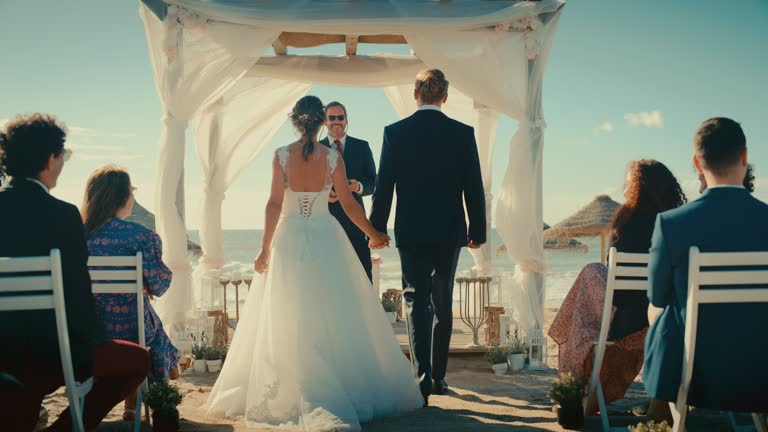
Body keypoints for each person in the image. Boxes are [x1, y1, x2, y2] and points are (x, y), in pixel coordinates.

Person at [205, 96, 423, 431]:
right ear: (322, 122)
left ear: (295, 121)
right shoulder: (332, 157)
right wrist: (373, 233)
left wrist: (264, 250)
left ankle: (295, 381)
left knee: (288, 310)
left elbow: (274, 204)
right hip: (326, 237)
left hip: (289, 239)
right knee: (333, 310)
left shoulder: (281, 156)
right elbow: (349, 204)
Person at [0, 113, 149, 431]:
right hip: (52, 353)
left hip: (3, 352)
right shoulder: (64, 215)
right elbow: (78, 297)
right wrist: (93, 340)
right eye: (64, 156)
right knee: (137, 360)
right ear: (50, 159)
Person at [369, 69, 486, 404]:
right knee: (442, 302)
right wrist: (477, 230)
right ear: (444, 97)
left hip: (412, 230)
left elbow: (384, 186)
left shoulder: (395, 133)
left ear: (415, 93)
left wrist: (377, 229)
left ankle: (421, 377)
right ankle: (438, 375)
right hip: (449, 232)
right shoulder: (462, 134)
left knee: (415, 301)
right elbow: (473, 187)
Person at [644, 118, 768, 422]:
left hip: (696, 373)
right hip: (759, 370)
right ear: (744, 157)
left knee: (656, 309)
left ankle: (662, 410)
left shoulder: (671, 224)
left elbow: (657, 297)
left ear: (697, 163)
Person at [548, 159, 687, 413]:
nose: (623, 186)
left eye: (628, 181)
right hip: (673, 319)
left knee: (591, 273)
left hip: (628, 323)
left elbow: (619, 292)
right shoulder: (678, 223)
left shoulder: (626, 222)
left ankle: (574, 386)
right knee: (591, 280)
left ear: (638, 187)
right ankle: (580, 377)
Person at [81, 165, 183, 421]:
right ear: (122, 196)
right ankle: (168, 371)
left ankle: (134, 403)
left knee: (142, 312)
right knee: (146, 322)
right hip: (132, 329)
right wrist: (145, 283)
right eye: (132, 191)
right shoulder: (141, 237)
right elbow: (159, 286)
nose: (134, 197)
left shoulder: (78, 236)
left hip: (92, 330)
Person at [320, 101, 377, 281]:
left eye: (340, 117)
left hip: (357, 225)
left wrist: (358, 186)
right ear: (324, 121)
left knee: (362, 276)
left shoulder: (362, 146)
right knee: (329, 277)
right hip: (325, 223)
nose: (337, 121)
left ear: (346, 120)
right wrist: (324, 194)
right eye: (332, 117)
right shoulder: (315, 149)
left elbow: (373, 183)